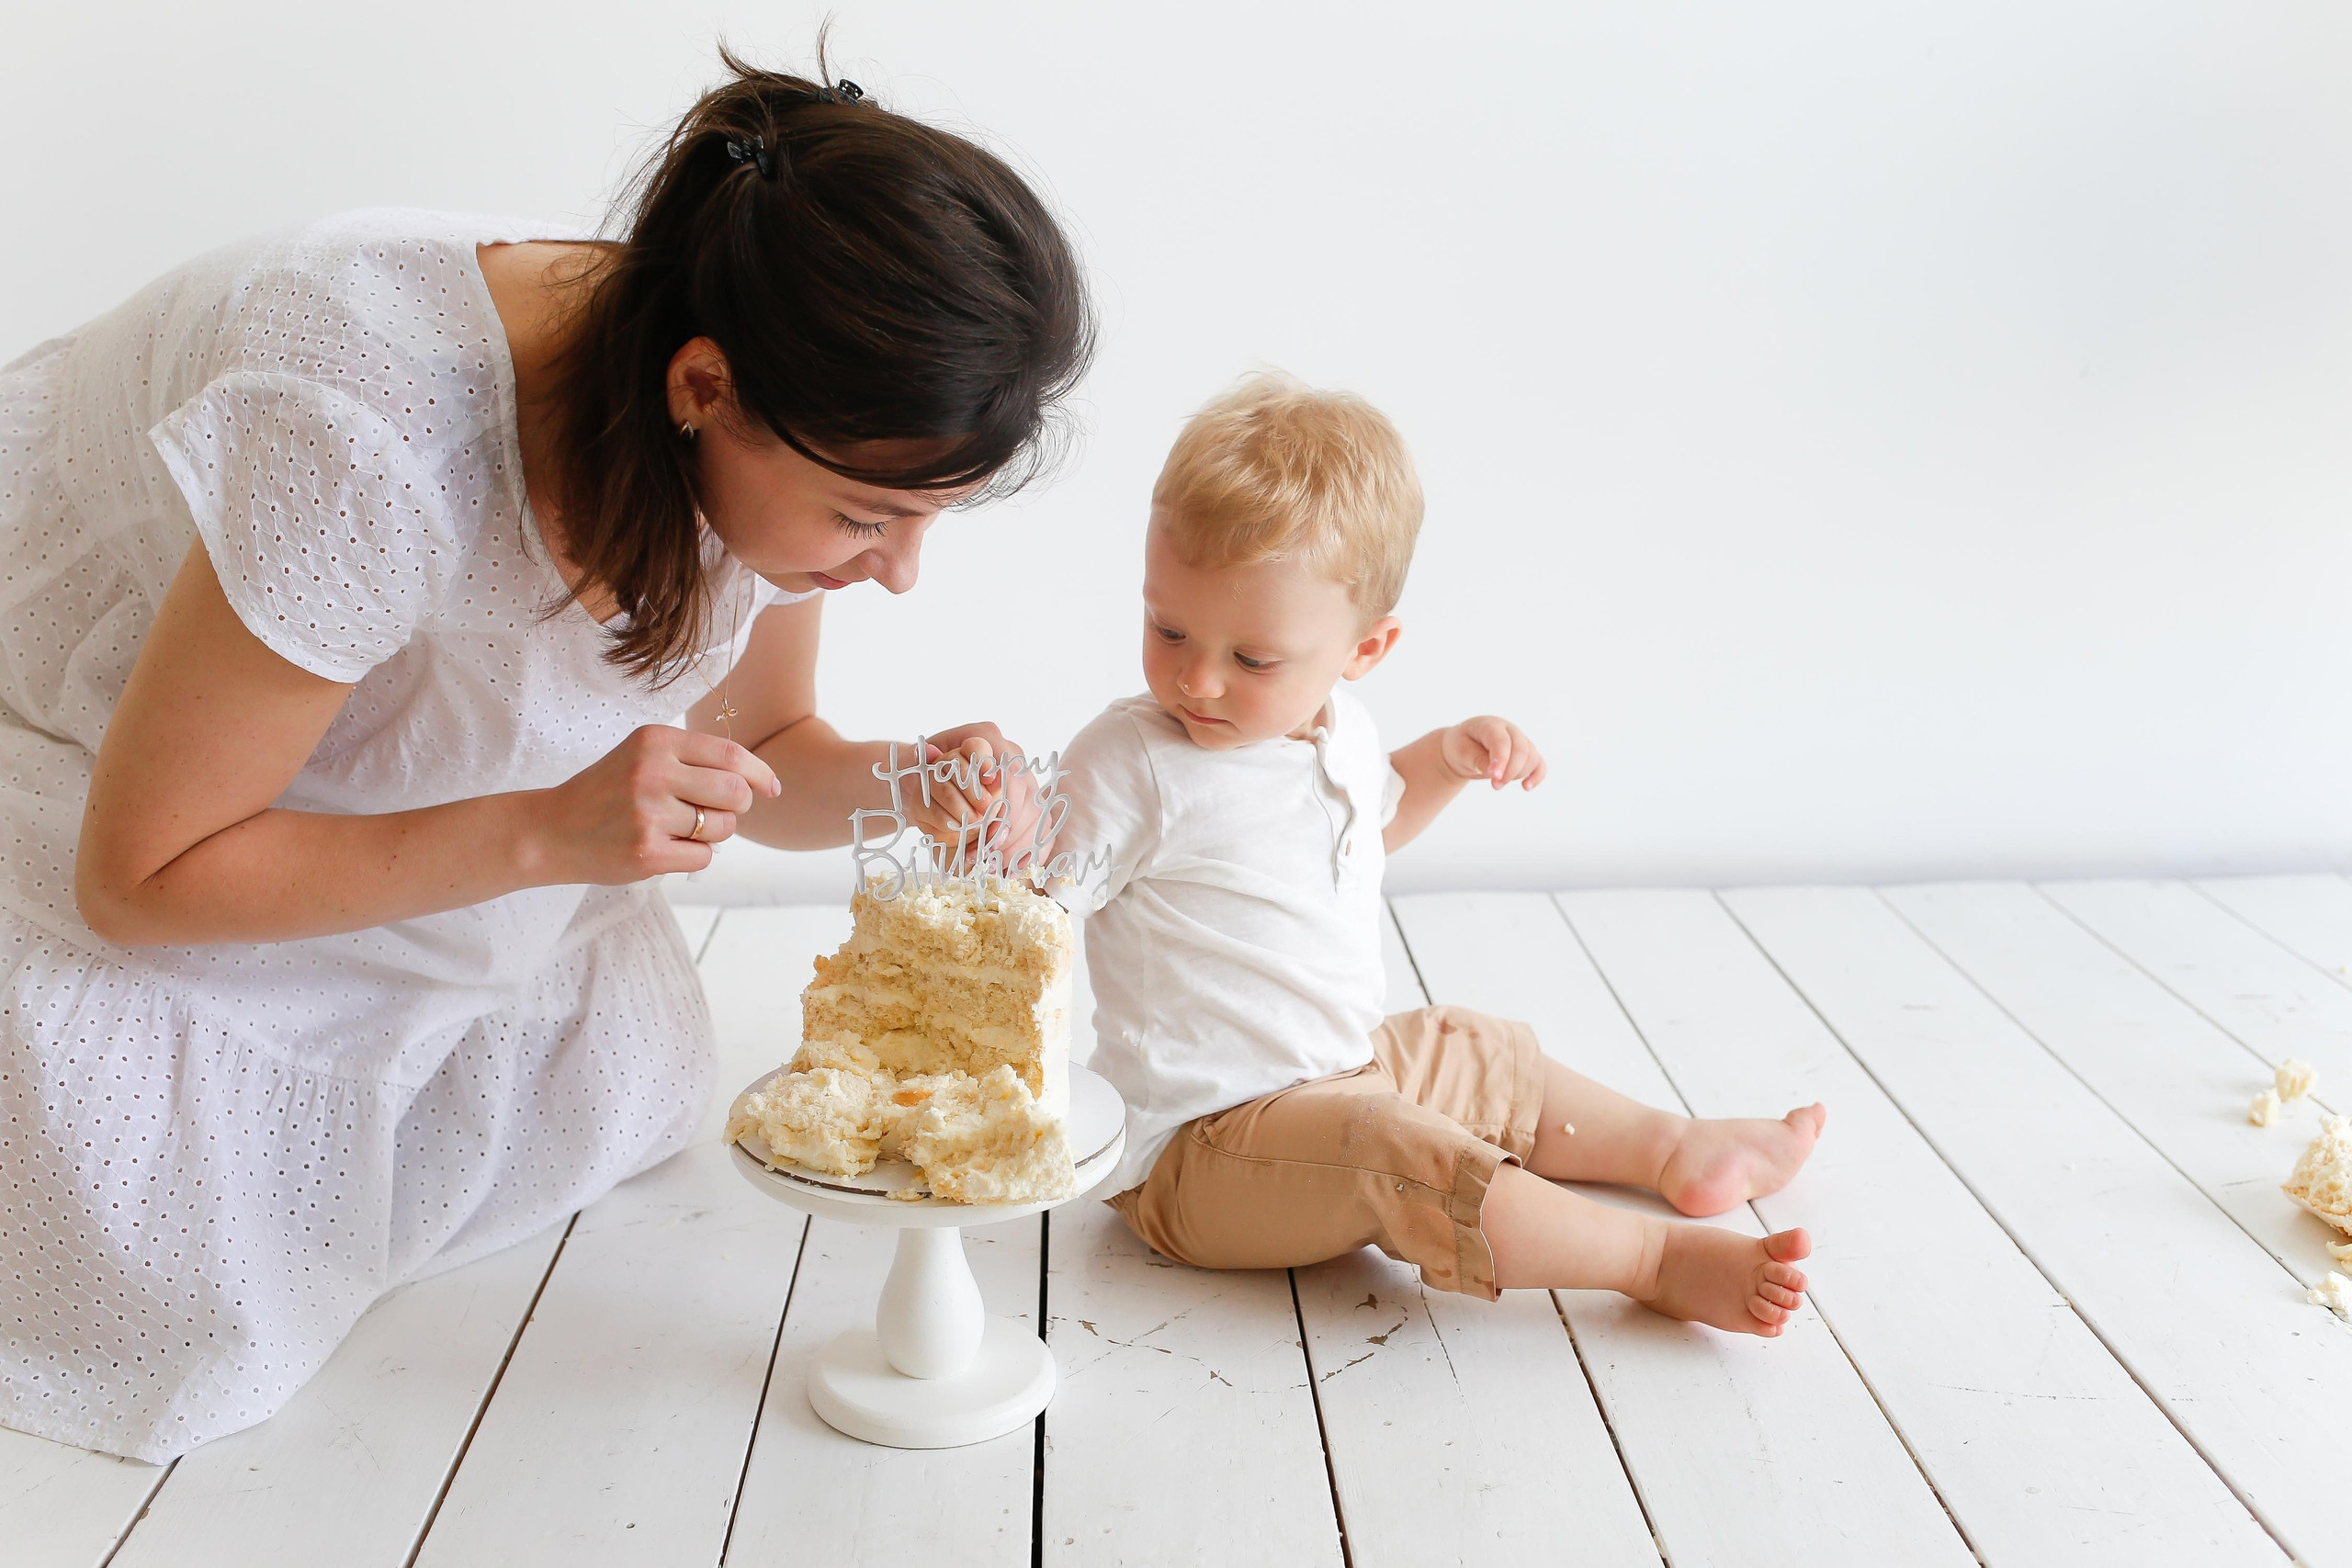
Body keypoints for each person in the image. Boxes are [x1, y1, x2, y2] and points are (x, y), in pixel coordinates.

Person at [0, 52, 1090, 1461]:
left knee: (621, 1076)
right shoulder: (369, 439)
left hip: (308, 698)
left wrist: (911, 777)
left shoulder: (729, 396)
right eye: (868, 518)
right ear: (704, 385)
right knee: (168, 1268)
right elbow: (140, 878)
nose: (899, 578)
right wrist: (539, 834)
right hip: (119, 717)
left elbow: (760, 743)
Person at [1051, 374, 1824, 1332]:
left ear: (1363, 651)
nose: (1195, 678)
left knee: (1467, 1045)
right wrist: (995, 823)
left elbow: (1363, 831)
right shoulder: (1131, 763)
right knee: (1391, 1144)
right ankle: (1647, 1257)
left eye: (1252, 659)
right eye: (1166, 627)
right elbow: (1026, 904)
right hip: (1197, 1154)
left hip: (1334, 1076)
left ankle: (1674, 1149)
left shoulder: (1338, 729)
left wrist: (1445, 765)